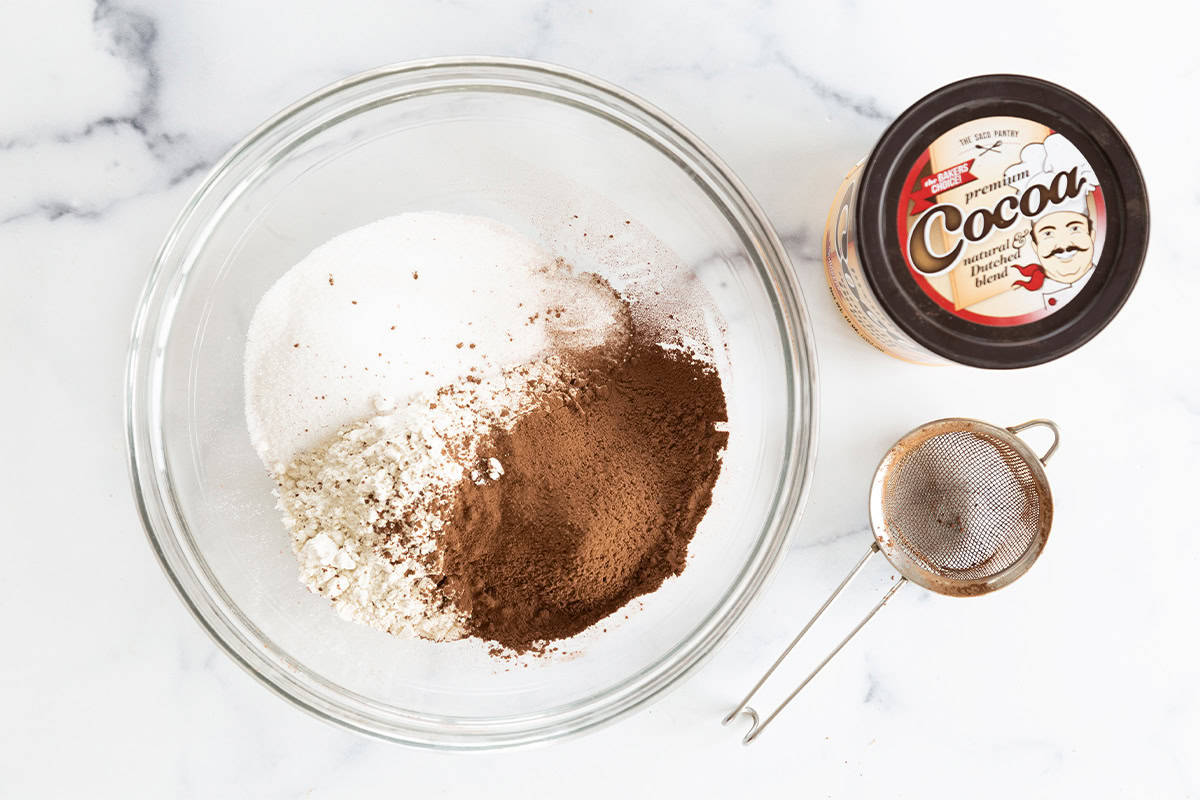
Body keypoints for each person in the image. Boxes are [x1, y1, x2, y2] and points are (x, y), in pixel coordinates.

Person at [1004, 133, 1100, 309]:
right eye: (1048, 233)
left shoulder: (1104, 286)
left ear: (1092, 235)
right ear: (1035, 246)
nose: (1064, 244)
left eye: (1074, 229)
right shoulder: (1019, 302)